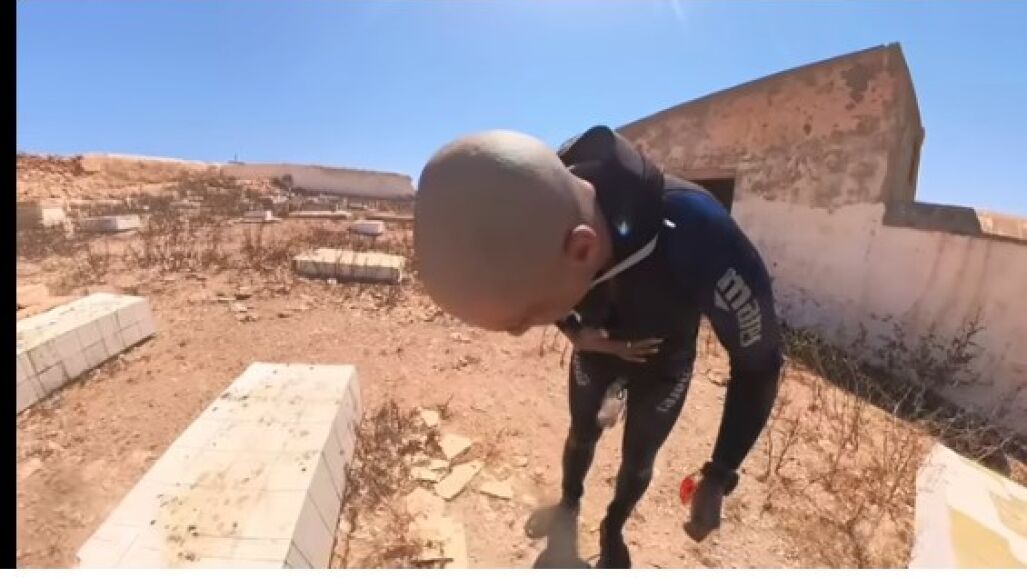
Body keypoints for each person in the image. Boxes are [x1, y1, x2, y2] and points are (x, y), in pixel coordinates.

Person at [414, 125, 783, 568]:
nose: (523, 332)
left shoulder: (701, 235)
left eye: (529, 316)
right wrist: (576, 333)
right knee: (581, 434)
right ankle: (569, 504)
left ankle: (613, 528)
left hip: (663, 367)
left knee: (639, 460)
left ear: (582, 248)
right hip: (595, 351)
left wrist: (720, 474)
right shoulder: (548, 197)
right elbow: (538, 275)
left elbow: (759, 364)